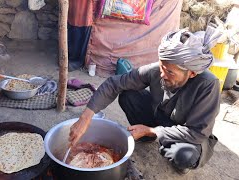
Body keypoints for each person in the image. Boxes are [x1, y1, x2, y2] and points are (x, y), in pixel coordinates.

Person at [69, 27, 221, 174]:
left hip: (186, 133)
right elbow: (114, 83)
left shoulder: (208, 85)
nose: (162, 74)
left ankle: (179, 162)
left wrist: (152, 130)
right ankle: (149, 137)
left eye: (169, 72)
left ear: (192, 73)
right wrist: (86, 117)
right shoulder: (159, 69)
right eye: (162, 66)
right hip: (161, 116)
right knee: (128, 94)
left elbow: (197, 133)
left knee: (184, 154)